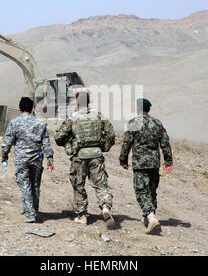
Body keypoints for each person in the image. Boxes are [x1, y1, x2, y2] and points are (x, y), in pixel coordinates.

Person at [54, 91, 116, 229]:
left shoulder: (73, 118)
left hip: (79, 157)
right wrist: (103, 146)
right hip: (96, 155)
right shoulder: (99, 115)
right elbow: (111, 134)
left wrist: (68, 144)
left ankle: (82, 215)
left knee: (78, 184)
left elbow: (58, 136)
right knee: (101, 184)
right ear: (88, 101)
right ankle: (105, 207)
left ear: (77, 102)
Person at [119, 98, 173, 234]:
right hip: (154, 163)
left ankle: (151, 217)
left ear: (137, 108)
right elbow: (165, 144)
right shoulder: (157, 123)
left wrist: (123, 159)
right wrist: (168, 162)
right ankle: (147, 218)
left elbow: (127, 144)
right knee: (151, 191)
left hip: (140, 164)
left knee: (141, 191)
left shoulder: (134, 123)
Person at [2, 97, 54, 223]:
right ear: (32, 108)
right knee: (35, 185)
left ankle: (31, 214)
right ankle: (33, 210)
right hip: (37, 159)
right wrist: (50, 158)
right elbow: (46, 143)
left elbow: (7, 141)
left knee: (25, 185)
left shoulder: (15, 123)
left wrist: (5, 155)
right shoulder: (40, 123)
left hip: (21, 159)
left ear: (20, 108)